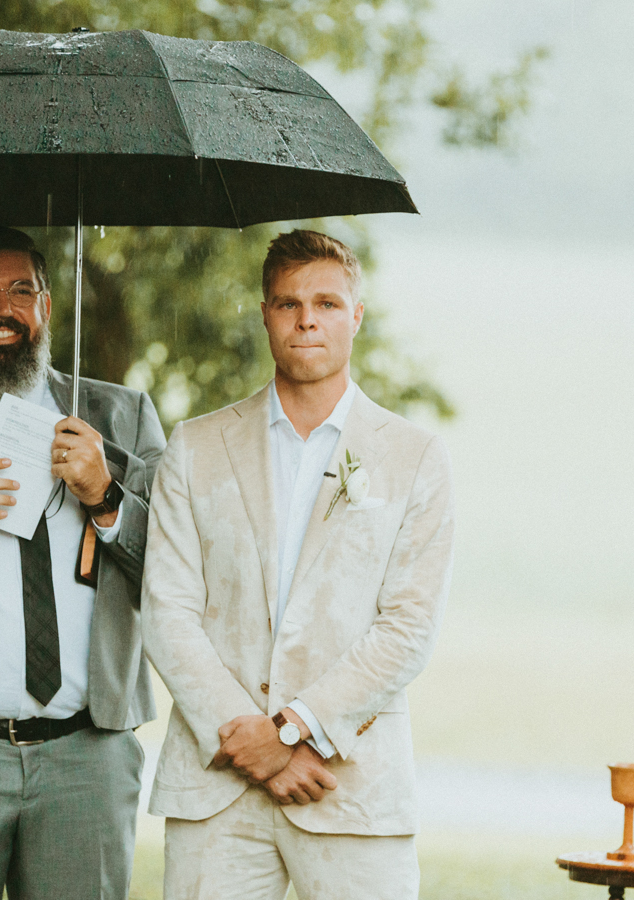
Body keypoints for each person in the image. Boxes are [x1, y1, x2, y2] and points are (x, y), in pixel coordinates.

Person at [142, 229, 454, 900]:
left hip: (350, 780)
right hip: (215, 787)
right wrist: (244, 738)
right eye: (287, 304)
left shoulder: (414, 456)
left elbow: (408, 626)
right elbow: (168, 611)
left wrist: (289, 733)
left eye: (326, 303)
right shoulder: (195, 448)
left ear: (356, 315)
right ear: (264, 314)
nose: (306, 319)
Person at [0, 226, 166, 900]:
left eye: (22, 290)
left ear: (48, 307)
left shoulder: (121, 415)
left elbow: (184, 568)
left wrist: (105, 496)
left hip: (89, 758)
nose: (3, 307)